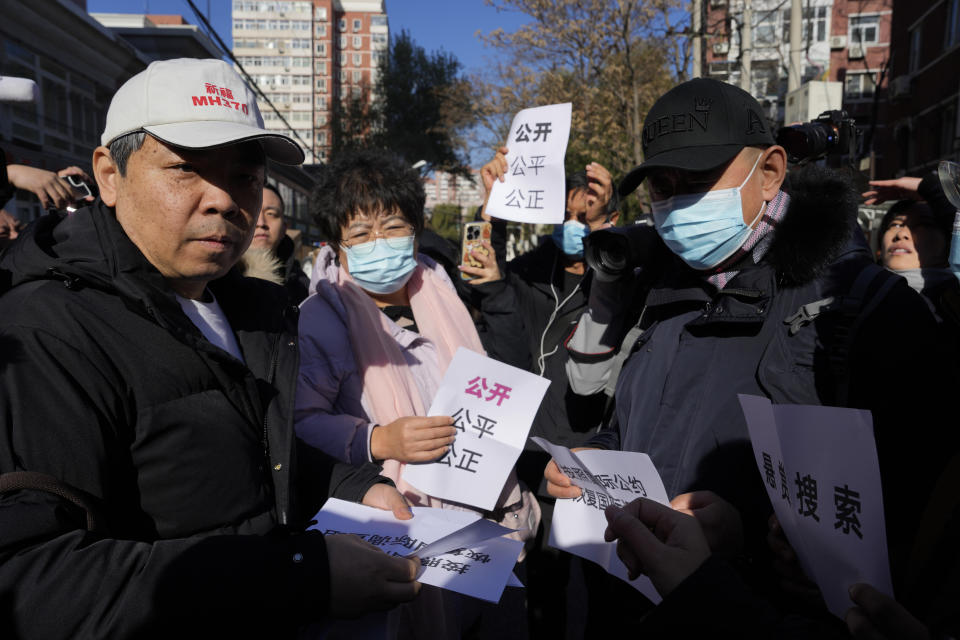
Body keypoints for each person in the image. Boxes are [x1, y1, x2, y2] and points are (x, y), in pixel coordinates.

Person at [0, 58, 420, 638]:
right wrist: (297, 576)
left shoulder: (250, 310)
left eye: (243, 177)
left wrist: (353, 485)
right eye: (185, 169)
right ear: (109, 174)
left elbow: (257, 460)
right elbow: (33, 580)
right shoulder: (45, 329)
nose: (224, 200)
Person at [547, 77, 957, 607]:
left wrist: (750, 538)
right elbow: (629, 426)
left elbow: (920, 524)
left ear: (770, 173)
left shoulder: (863, 308)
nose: (676, 204)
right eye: (662, 186)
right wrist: (595, 462)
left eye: (696, 178)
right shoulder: (655, 290)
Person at [295, 148, 535, 638]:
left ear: (417, 227)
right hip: (403, 522)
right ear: (336, 245)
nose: (379, 242)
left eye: (393, 226)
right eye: (360, 233)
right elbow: (300, 421)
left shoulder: (442, 286)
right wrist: (378, 440)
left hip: (485, 518)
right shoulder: (320, 317)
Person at [462, 151, 619, 636]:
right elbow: (486, 273)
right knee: (544, 594)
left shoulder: (622, 284)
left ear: (612, 221)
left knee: (607, 593)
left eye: (586, 218)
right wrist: (492, 207)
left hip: (600, 458)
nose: (573, 226)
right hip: (539, 460)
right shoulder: (536, 274)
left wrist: (611, 249)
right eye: (566, 216)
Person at [243, 181, 310, 304]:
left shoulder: (303, 287)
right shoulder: (216, 281)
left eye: (271, 214)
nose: (261, 223)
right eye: (253, 211)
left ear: (285, 227)